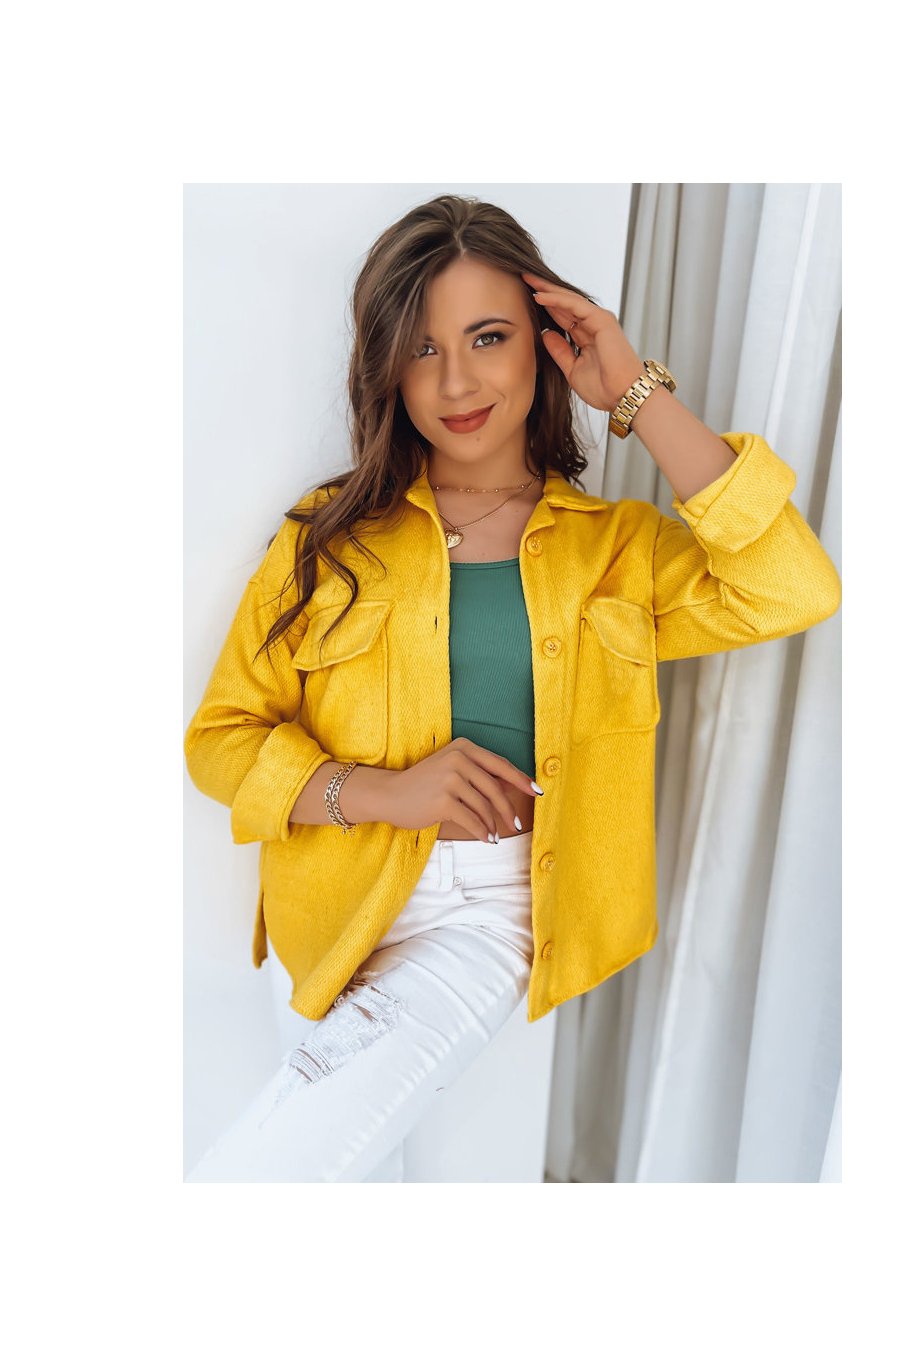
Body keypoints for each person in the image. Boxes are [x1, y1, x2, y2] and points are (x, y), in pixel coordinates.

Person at [184, 193, 842, 1182]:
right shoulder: (327, 541)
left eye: (488, 337)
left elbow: (793, 586)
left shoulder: (614, 551)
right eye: (422, 348)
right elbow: (220, 739)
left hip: (490, 911)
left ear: (543, 342)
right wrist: (382, 792)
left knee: (268, 1175)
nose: (456, 380)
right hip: (326, 914)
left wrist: (633, 391)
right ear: (386, 368)